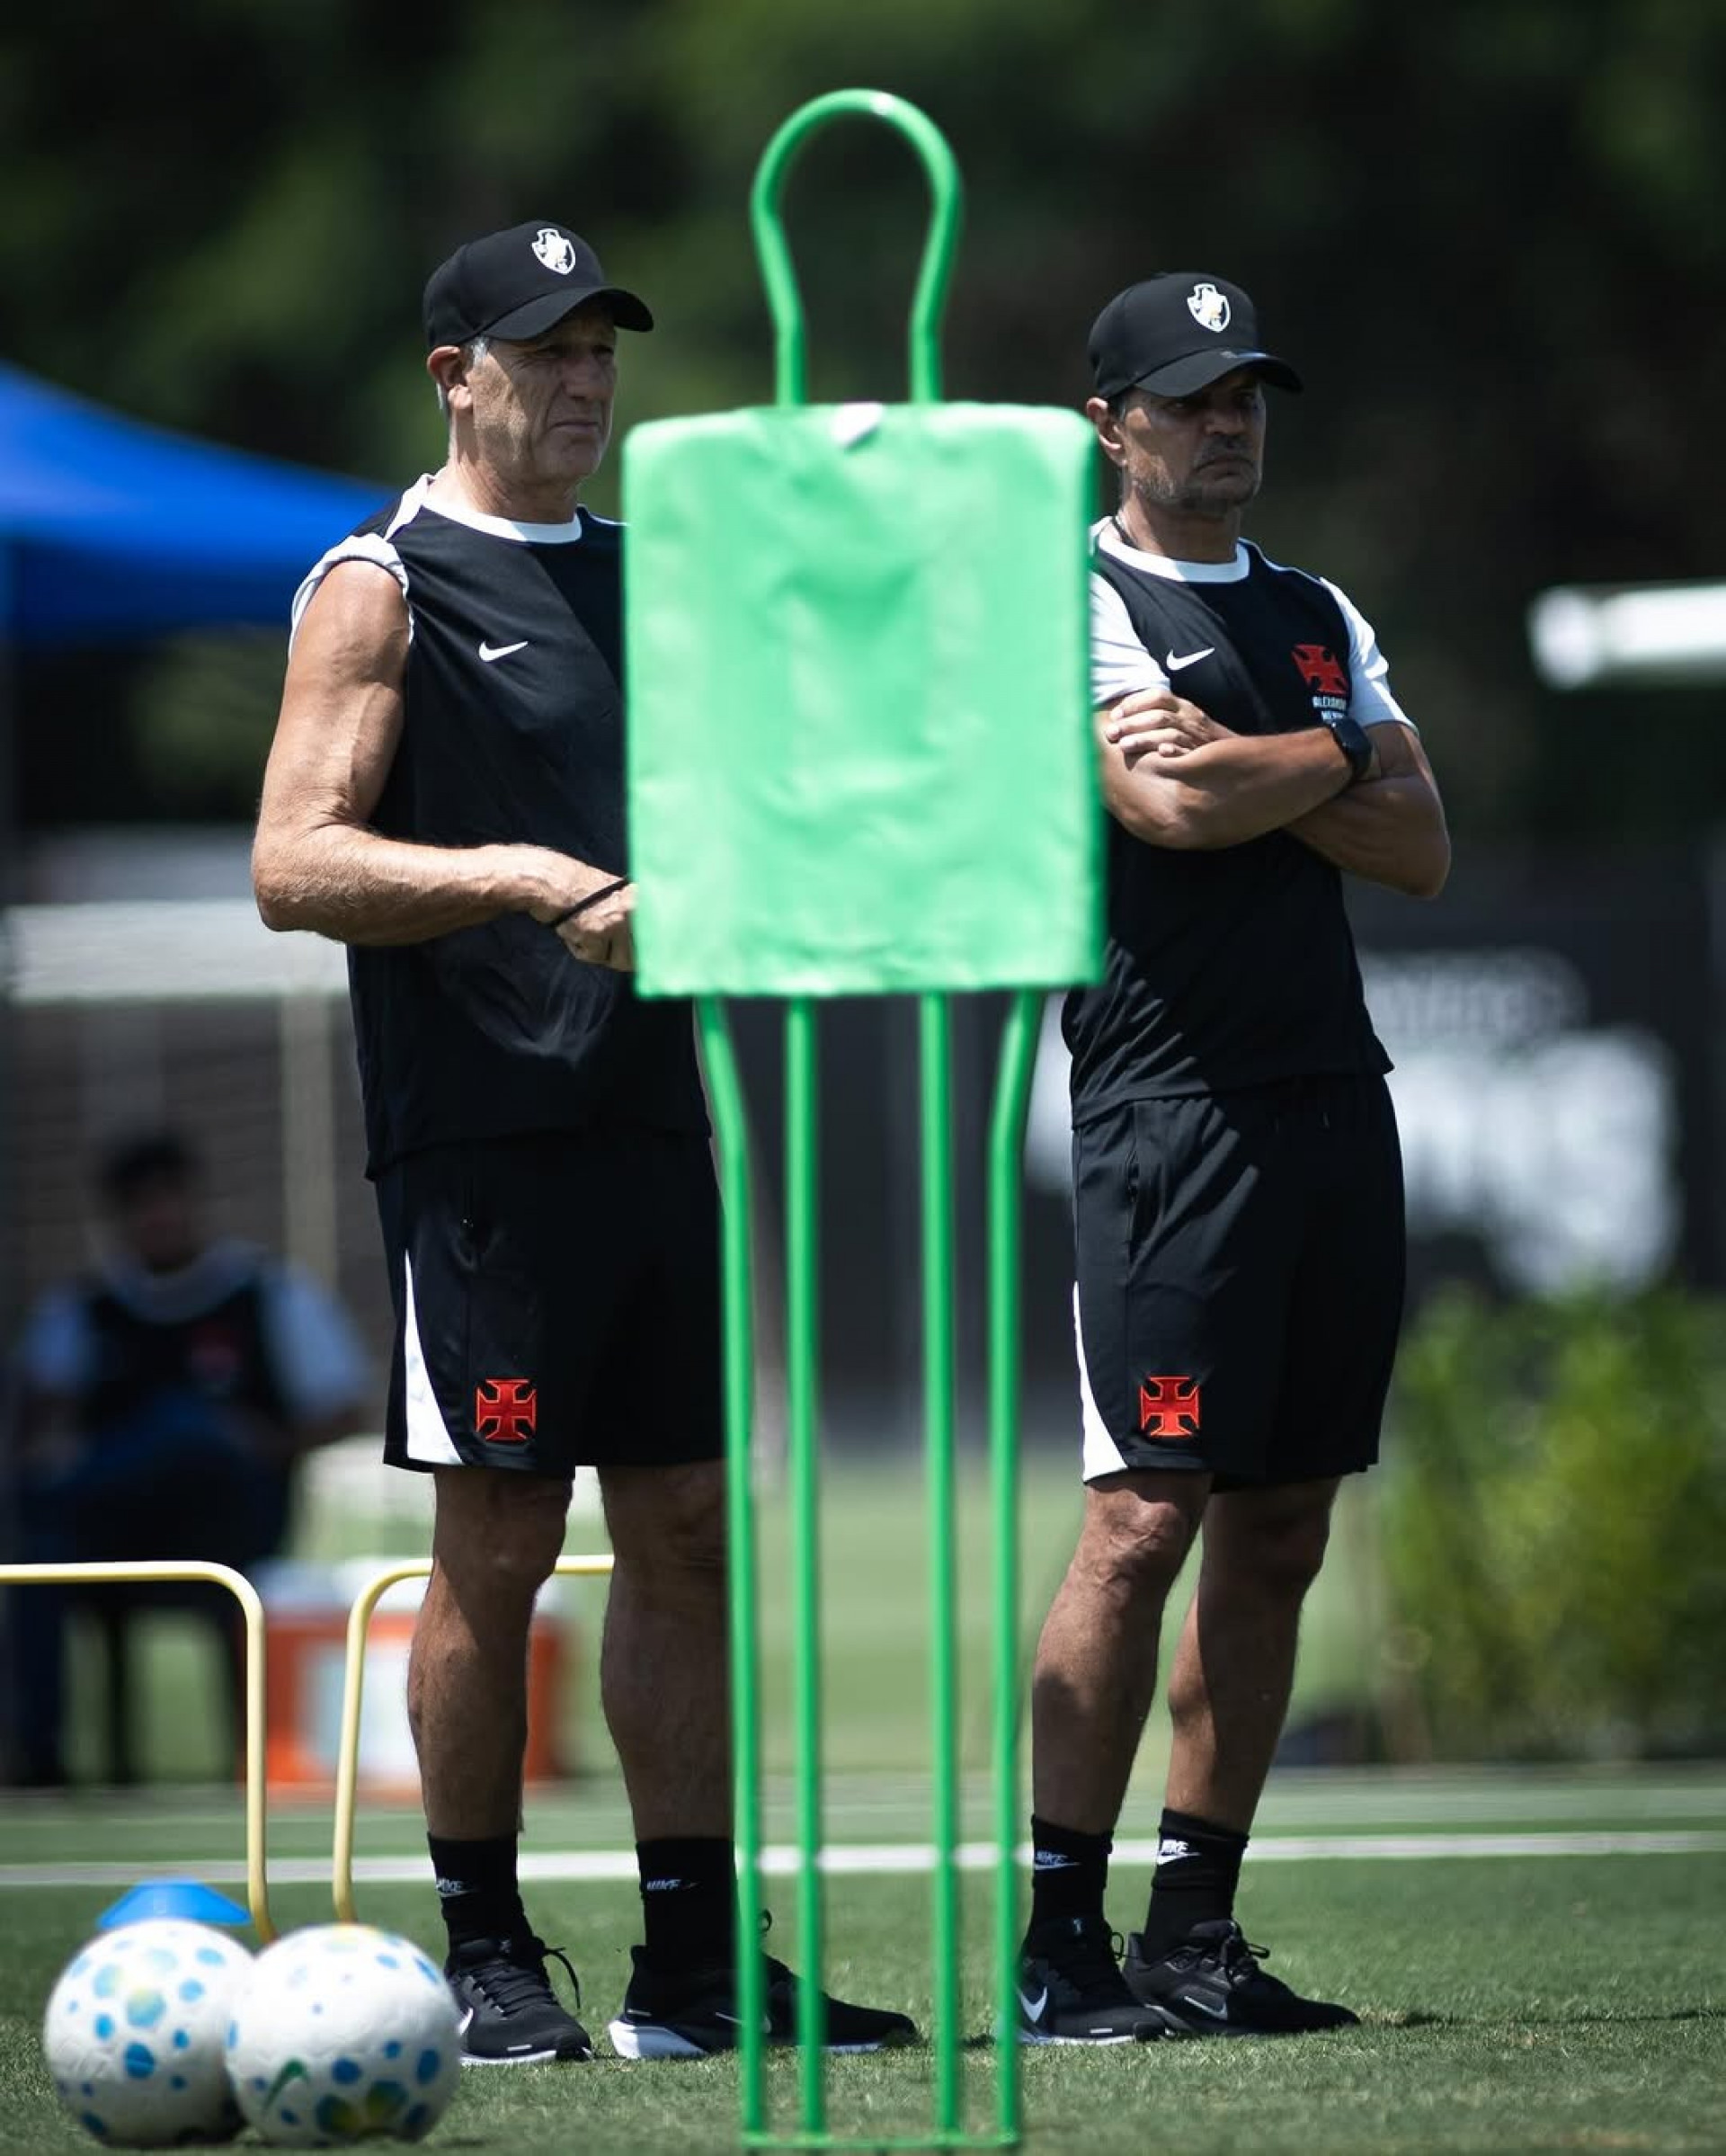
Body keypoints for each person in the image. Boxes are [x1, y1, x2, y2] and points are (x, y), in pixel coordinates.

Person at [251, 218, 914, 2065]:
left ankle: (695, 1971)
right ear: (452, 373)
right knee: (497, 1544)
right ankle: (484, 1953)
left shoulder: (653, 575)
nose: (584, 382)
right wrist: (523, 880)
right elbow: (292, 860)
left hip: (652, 1120)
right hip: (482, 1143)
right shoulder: (378, 581)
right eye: (543, 351)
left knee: (691, 1530)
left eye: (602, 349)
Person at [1016, 272, 1449, 2045]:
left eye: (1248, 390)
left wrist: (1311, 749)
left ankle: (1197, 1927)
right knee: (1142, 1517)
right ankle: (1062, 1939)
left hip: (1333, 1102)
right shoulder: (1074, 603)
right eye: (1192, 396)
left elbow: (1418, 840)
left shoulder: (1317, 607)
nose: (1230, 420)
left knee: (1282, 1527)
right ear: (1112, 421)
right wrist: (1333, 760)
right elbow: (1165, 807)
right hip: (1163, 1107)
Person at [6, 1129, 369, 1786]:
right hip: (113, 1533)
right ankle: (38, 1759)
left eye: (168, 1199)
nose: (158, 1217)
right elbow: (42, 1426)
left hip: (231, 1525)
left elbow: (343, 1409)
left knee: (191, 1432)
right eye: (139, 1205)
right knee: (41, 1554)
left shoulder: (268, 1293)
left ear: (195, 1201)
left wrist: (263, 1441)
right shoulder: (83, 1310)